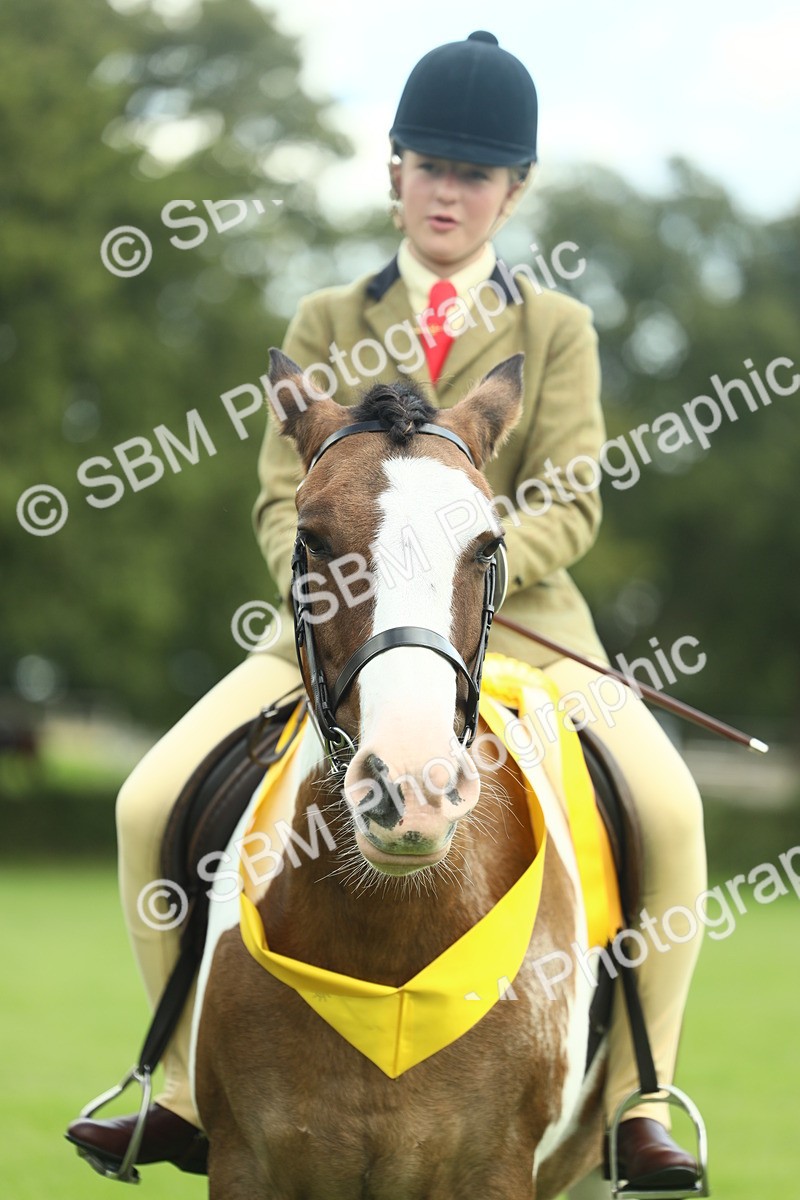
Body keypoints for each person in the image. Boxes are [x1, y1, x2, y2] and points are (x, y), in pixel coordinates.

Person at [67, 31, 706, 1193]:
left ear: (513, 190)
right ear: (393, 173)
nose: (448, 191)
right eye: (429, 167)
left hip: (524, 625)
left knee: (668, 810)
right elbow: (283, 496)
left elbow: (571, 494)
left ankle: (637, 1099)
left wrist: (470, 570)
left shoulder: (555, 328)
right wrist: (341, 585)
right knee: (145, 797)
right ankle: (178, 1082)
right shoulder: (323, 317)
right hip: (339, 626)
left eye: (474, 174)